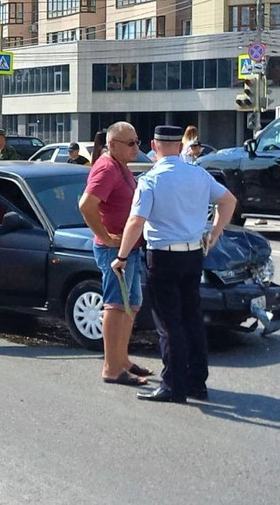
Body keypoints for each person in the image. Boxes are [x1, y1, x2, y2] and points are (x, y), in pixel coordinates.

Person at [114, 126, 237, 404]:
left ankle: (173, 385)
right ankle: (196, 382)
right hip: (193, 254)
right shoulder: (198, 173)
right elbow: (228, 201)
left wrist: (121, 257)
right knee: (192, 318)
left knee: (168, 324)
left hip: (163, 257)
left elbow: (136, 221)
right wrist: (214, 233)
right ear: (180, 146)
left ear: (154, 146)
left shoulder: (151, 179)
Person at [79, 122, 150, 387]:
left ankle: (122, 360)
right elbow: (86, 205)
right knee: (116, 305)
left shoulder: (120, 167)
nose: (136, 148)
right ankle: (111, 367)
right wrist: (107, 236)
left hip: (127, 248)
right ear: (112, 145)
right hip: (114, 249)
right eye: (130, 143)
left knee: (131, 303)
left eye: (137, 141)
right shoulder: (107, 168)